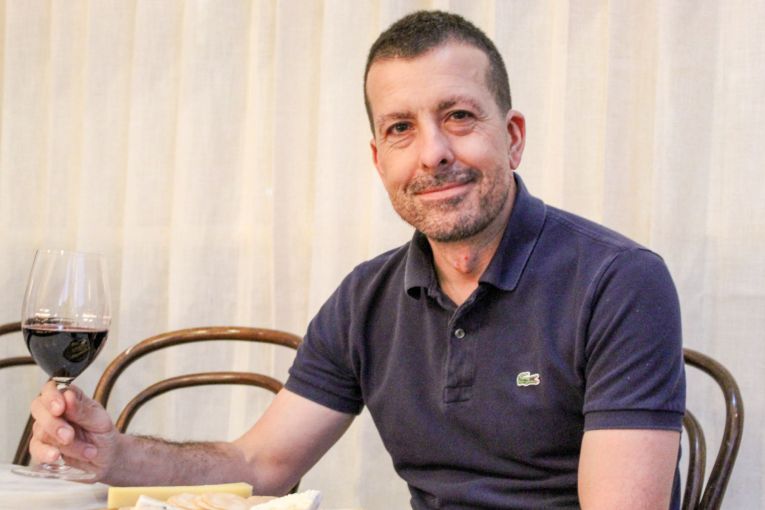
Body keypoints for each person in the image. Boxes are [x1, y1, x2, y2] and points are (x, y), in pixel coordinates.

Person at [30, 10, 685, 509]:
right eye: (401, 128)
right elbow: (260, 465)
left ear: (511, 138)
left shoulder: (619, 282)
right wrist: (112, 455)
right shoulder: (366, 298)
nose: (432, 153)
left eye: (459, 116)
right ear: (378, 160)